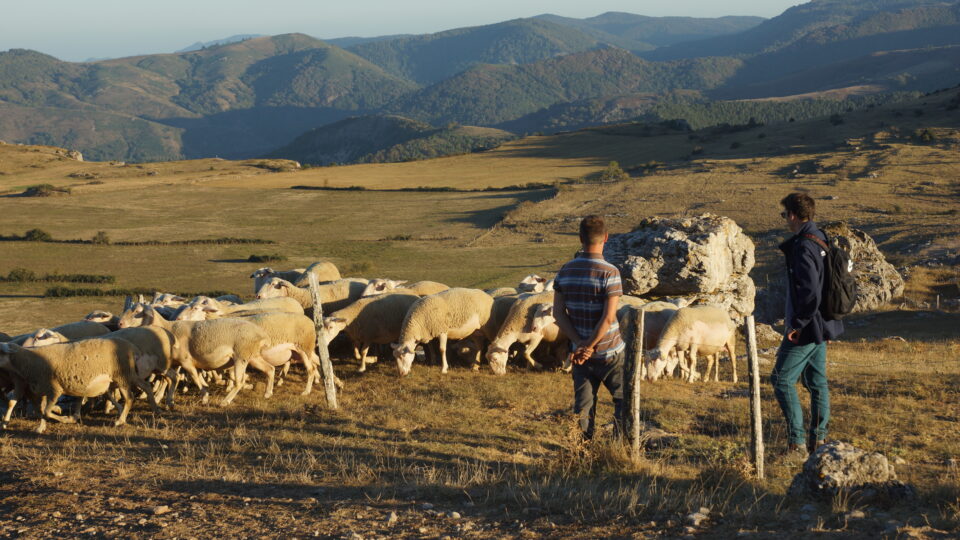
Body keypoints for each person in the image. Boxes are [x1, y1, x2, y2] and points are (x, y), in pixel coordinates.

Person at [773, 193, 844, 455]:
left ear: (793, 215)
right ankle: (819, 440)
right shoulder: (821, 238)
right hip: (823, 322)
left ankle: (797, 443)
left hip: (808, 325)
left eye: (785, 215)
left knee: (781, 379)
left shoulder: (804, 246)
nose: (785, 220)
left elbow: (809, 291)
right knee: (816, 382)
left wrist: (798, 324)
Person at [552, 215, 625, 441]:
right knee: (623, 400)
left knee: (583, 406)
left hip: (579, 354)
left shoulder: (565, 271)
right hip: (610, 352)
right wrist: (591, 346)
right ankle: (620, 446)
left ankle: (582, 450)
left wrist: (580, 344)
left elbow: (558, 314)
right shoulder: (610, 272)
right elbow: (608, 318)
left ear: (580, 238)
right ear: (606, 237)